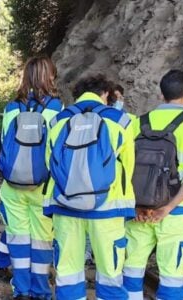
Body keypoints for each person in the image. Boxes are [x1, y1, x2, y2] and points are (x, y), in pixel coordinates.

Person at [123, 70, 183, 300]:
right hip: (175, 212)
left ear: (160, 94)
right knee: (172, 276)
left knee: (131, 270)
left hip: (138, 211)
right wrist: (168, 207)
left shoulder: (137, 122)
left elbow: (124, 170)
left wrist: (135, 206)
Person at [45, 75, 135, 300]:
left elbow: (51, 163)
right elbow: (128, 167)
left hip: (65, 206)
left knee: (67, 273)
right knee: (110, 273)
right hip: (107, 208)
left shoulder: (58, 121)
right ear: (105, 93)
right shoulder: (120, 120)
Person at [0, 56, 63, 299]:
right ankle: (39, 291)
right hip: (43, 188)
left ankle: (21, 291)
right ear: (48, 77)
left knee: (18, 238)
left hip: (12, 187)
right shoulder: (56, 108)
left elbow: (1, 145)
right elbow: (58, 150)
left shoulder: (12, 108)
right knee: (42, 241)